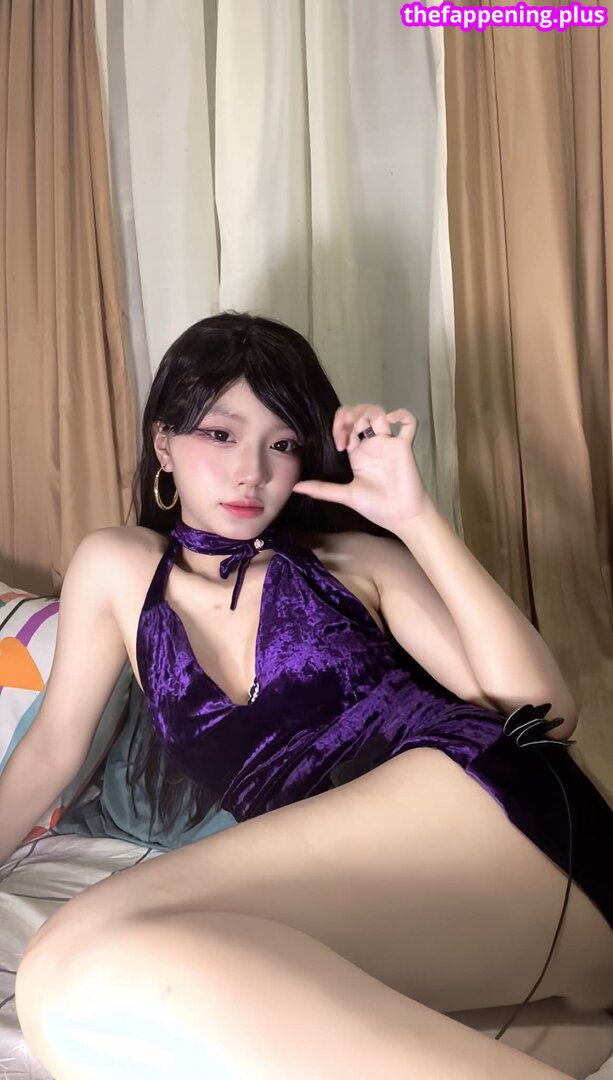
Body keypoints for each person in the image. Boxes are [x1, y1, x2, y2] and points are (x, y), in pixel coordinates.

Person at [14, 311, 613, 1079]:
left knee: (74, 958)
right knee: (95, 1012)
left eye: (281, 444)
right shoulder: (117, 565)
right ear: (163, 443)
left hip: (503, 824)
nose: (250, 472)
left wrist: (413, 519)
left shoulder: (348, 560)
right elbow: (51, 750)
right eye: (220, 435)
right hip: (443, 931)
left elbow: (544, 712)